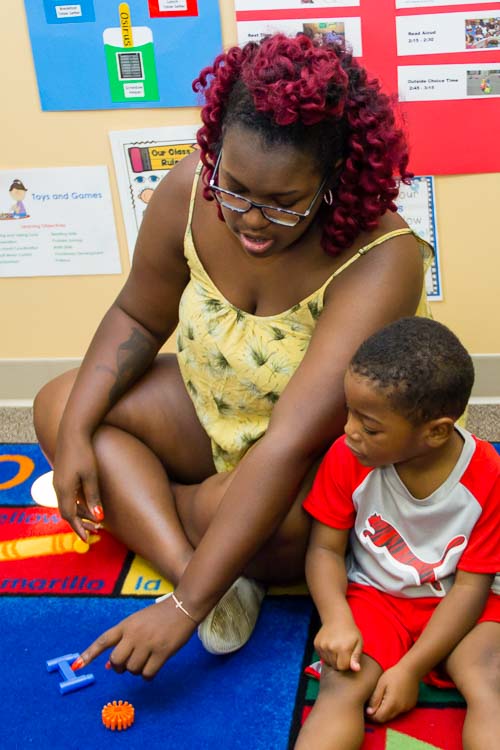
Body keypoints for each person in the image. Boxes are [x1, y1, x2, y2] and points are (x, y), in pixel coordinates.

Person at [33, 33, 432, 679]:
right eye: (236, 188)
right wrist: (75, 436)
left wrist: (181, 613)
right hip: (211, 408)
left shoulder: (382, 257)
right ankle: (204, 571)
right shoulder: (192, 187)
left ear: (335, 178)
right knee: (59, 406)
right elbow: (138, 314)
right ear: (215, 154)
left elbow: (289, 445)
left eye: (282, 204)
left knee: (289, 526)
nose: (249, 220)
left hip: (304, 457)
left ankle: (167, 525)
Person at [295, 317, 500, 750]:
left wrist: (410, 667)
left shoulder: (488, 476)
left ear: (436, 432)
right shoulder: (346, 456)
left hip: (461, 604)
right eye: (348, 411)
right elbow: (325, 551)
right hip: (375, 598)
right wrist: (336, 618)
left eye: (369, 426)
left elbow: (470, 587)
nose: (350, 431)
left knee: (490, 683)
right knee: (339, 688)